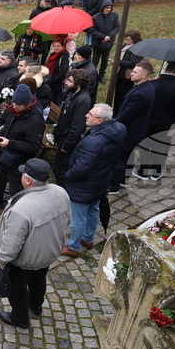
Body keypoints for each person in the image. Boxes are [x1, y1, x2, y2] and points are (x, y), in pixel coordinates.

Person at [0, 159, 70, 328]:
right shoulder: (60, 192)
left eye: (23, 174)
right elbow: (67, 220)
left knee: (17, 288)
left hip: (24, 260)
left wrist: (2, 261)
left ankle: (19, 318)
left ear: (28, 181)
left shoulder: (21, 208)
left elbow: (12, 242)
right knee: (38, 279)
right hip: (48, 253)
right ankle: (36, 305)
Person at [62, 104, 126, 258]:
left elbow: (81, 169)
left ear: (99, 121)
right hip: (100, 181)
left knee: (78, 218)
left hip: (84, 185)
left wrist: (68, 177)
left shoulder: (94, 141)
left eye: (90, 114)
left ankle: (73, 247)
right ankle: (88, 238)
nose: (86, 115)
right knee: (93, 210)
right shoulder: (117, 131)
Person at [0, 84, 45, 209]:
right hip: (4, 155)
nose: (14, 107)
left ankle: (15, 208)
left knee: (16, 188)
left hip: (18, 161)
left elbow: (33, 146)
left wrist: (10, 143)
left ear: (27, 104)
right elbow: (0, 120)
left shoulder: (36, 120)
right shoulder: (13, 108)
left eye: (18, 105)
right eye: (13, 103)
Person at [135, 61, 175, 181]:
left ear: (166, 69)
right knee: (159, 147)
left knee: (144, 145)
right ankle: (156, 172)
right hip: (164, 123)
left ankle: (142, 172)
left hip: (147, 121)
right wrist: (171, 120)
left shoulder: (151, 84)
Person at [108, 62, 156, 194]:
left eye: (135, 72)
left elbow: (127, 114)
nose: (131, 73)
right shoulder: (146, 86)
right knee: (128, 156)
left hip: (130, 130)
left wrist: (111, 123)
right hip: (136, 129)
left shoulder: (141, 93)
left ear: (144, 75)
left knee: (121, 158)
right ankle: (123, 179)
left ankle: (113, 185)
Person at [51, 69, 95, 186]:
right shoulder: (73, 94)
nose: (66, 82)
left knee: (60, 169)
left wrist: (67, 145)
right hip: (62, 137)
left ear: (79, 85)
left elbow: (78, 126)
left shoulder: (82, 100)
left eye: (70, 81)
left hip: (67, 141)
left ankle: (65, 193)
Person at [89, 0, 120, 83]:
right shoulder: (95, 17)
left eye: (110, 8)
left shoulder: (114, 16)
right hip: (97, 43)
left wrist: (109, 36)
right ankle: (93, 75)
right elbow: (92, 30)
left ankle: (101, 75)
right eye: (106, 8)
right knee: (95, 60)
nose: (108, 9)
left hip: (109, 42)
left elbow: (117, 27)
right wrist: (102, 37)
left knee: (105, 60)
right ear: (103, 8)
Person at [113, 30, 144, 111]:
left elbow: (134, 63)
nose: (127, 42)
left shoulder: (136, 49)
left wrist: (118, 62)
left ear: (135, 39)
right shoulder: (125, 46)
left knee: (122, 97)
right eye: (126, 39)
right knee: (117, 95)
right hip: (120, 74)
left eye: (129, 40)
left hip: (126, 77)